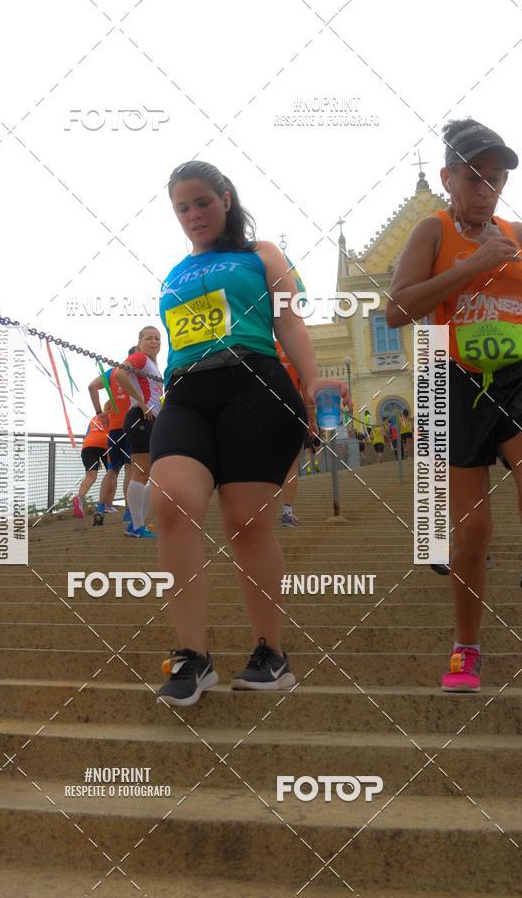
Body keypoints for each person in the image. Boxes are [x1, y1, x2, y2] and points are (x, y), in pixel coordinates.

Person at [150, 159, 350, 706]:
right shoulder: (174, 273)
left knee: (246, 525)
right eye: (182, 208)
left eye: (202, 203)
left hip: (254, 384)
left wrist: (312, 384)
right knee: (171, 501)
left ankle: (271, 653)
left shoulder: (260, 254)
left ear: (226, 200)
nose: (193, 215)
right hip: (188, 390)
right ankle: (192, 656)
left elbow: (288, 320)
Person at [387, 118, 522, 693]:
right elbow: (396, 310)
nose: (485, 189)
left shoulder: (516, 232)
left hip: (516, 375)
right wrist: (473, 266)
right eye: (473, 177)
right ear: (447, 178)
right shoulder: (433, 230)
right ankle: (467, 646)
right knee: (471, 532)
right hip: (453, 380)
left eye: (494, 179)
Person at [113, 327, 164, 538]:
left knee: (153, 473)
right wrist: (142, 403)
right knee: (142, 472)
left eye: (157, 338)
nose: (154, 342)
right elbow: (119, 374)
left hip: (151, 420)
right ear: (140, 341)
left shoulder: (152, 364)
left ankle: (138, 524)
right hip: (141, 418)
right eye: (149, 338)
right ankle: (136, 526)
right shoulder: (140, 357)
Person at [88, 347, 134, 527]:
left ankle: (100, 508)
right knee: (131, 470)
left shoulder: (113, 370)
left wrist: (100, 412)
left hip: (114, 427)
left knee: (112, 470)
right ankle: (129, 512)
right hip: (132, 425)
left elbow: (92, 386)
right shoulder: (140, 370)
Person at [275, 338, 305, 527]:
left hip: (264, 409)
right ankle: (287, 512)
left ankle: (261, 512)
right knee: (292, 466)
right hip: (292, 409)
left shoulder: (263, 346)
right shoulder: (298, 347)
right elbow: (306, 386)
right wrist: (312, 417)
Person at [73, 401, 111, 518]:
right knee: (111, 473)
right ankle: (107, 504)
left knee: (90, 476)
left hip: (87, 446)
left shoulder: (94, 418)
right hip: (105, 444)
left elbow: (88, 434)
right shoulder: (113, 416)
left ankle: (79, 498)